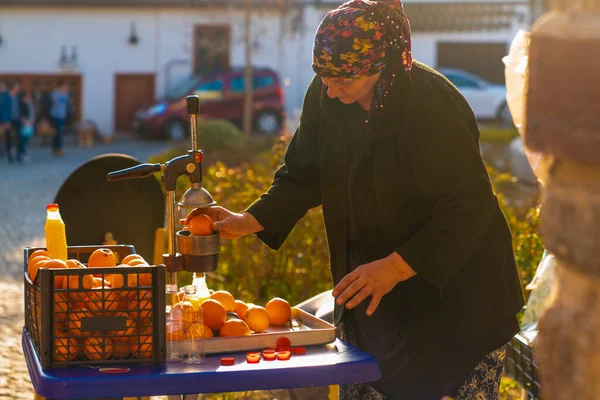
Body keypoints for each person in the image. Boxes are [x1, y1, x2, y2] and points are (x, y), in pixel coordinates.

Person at [185, 0, 524, 398]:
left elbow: (469, 207)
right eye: (323, 77)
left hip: (458, 295)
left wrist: (396, 268)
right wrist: (249, 220)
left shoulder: (432, 104)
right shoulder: (327, 93)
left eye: (342, 81)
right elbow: (304, 173)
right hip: (376, 289)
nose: (329, 89)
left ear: (379, 68)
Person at [49, 82, 70, 156]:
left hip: (62, 115)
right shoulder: (55, 93)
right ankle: (59, 148)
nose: (65, 89)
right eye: (64, 87)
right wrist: (61, 95)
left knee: (58, 132)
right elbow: (56, 102)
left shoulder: (66, 94)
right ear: (60, 87)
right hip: (55, 115)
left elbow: (66, 103)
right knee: (58, 132)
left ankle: (55, 148)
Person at [6, 82, 22, 163]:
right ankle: (9, 155)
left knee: (18, 137)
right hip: (8, 120)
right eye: (16, 87)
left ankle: (18, 155)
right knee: (9, 138)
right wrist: (5, 121)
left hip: (17, 119)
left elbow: (21, 107)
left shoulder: (18, 96)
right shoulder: (5, 97)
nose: (18, 88)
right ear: (12, 87)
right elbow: (2, 109)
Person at [19, 92, 36, 163]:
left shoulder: (30, 103)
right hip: (25, 123)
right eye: (27, 97)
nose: (28, 98)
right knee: (24, 138)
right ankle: (22, 153)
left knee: (27, 137)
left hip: (30, 123)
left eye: (29, 97)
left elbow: (32, 112)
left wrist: (32, 120)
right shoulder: (22, 104)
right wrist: (25, 120)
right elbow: (22, 114)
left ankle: (24, 152)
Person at [0, 81, 10, 158]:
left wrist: (6, 120)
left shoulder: (6, 95)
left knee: (3, 135)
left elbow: (7, 109)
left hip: (3, 119)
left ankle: (3, 151)